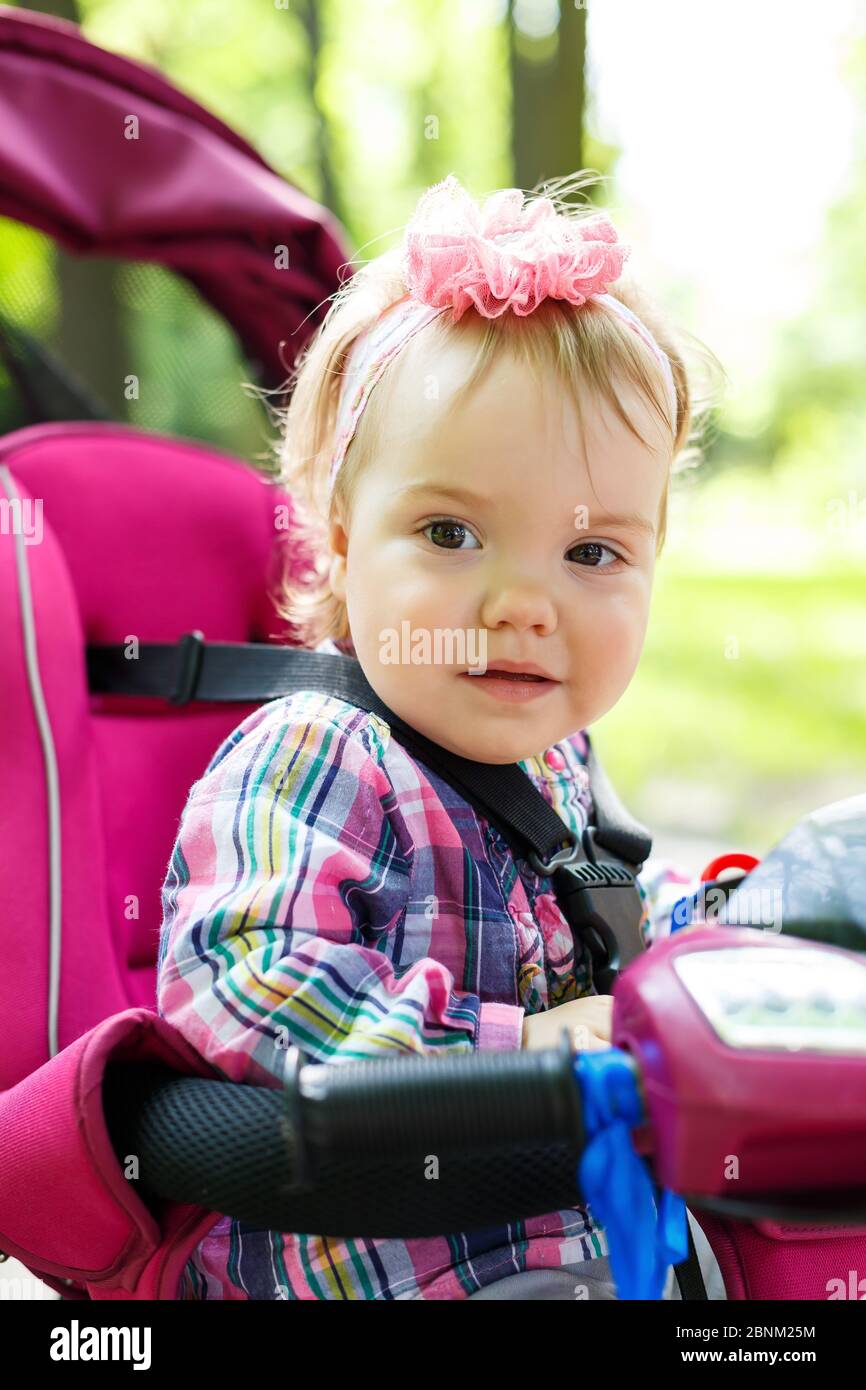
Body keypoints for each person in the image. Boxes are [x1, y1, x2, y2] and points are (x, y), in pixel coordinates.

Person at [158, 171, 726, 1300]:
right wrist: (520, 1046)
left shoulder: (558, 771)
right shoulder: (318, 754)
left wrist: (736, 928)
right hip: (379, 1269)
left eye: (590, 553)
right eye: (450, 530)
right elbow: (246, 981)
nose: (523, 602)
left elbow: (618, 947)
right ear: (337, 535)